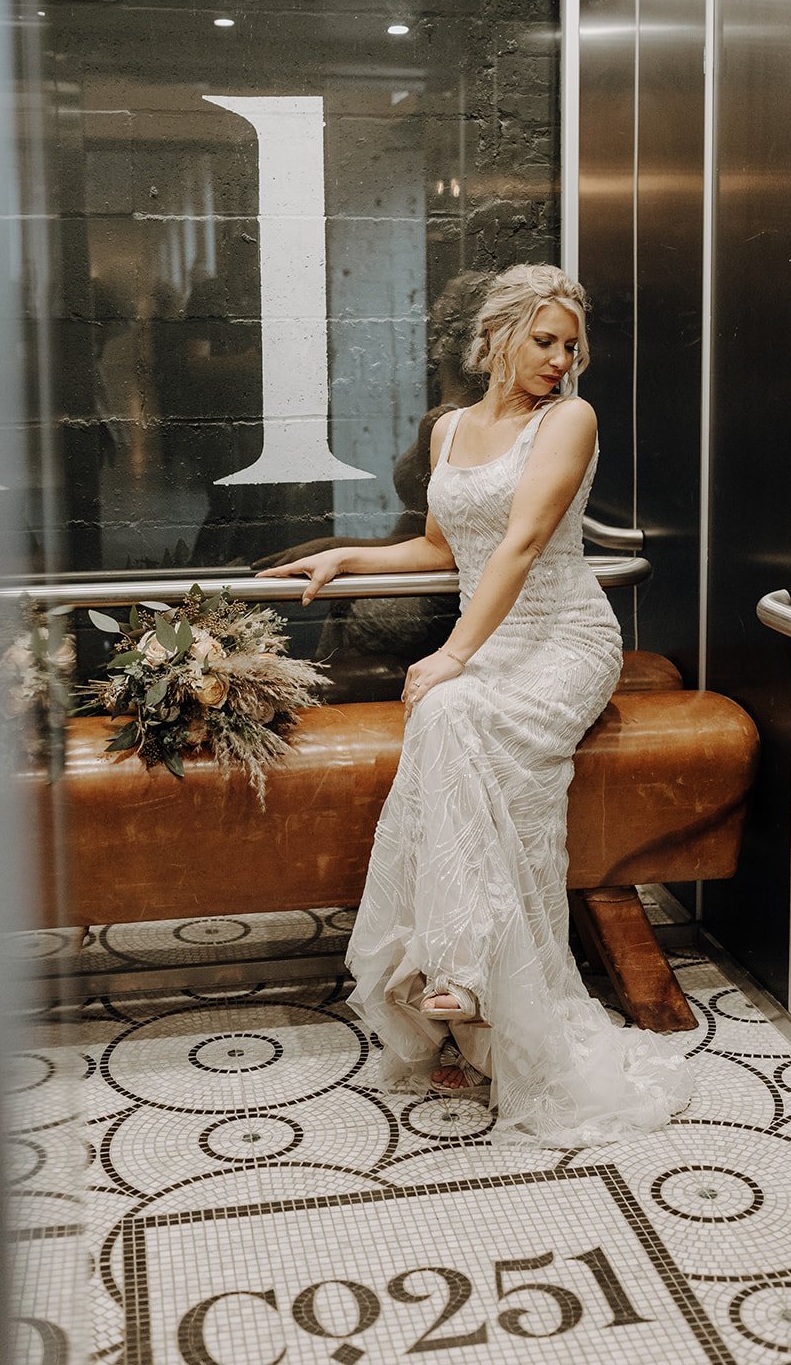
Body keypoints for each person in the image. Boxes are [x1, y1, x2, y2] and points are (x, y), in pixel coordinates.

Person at [259, 264, 695, 1145]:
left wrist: (454, 652)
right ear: (495, 338)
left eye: (571, 345)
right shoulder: (451, 428)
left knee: (448, 709)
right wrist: (346, 557)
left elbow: (526, 542)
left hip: (563, 639)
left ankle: (453, 967)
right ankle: (464, 990)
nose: (561, 360)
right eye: (544, 341)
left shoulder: (569, 420)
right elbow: (439, 544)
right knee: (448, 718)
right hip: (490, 640)